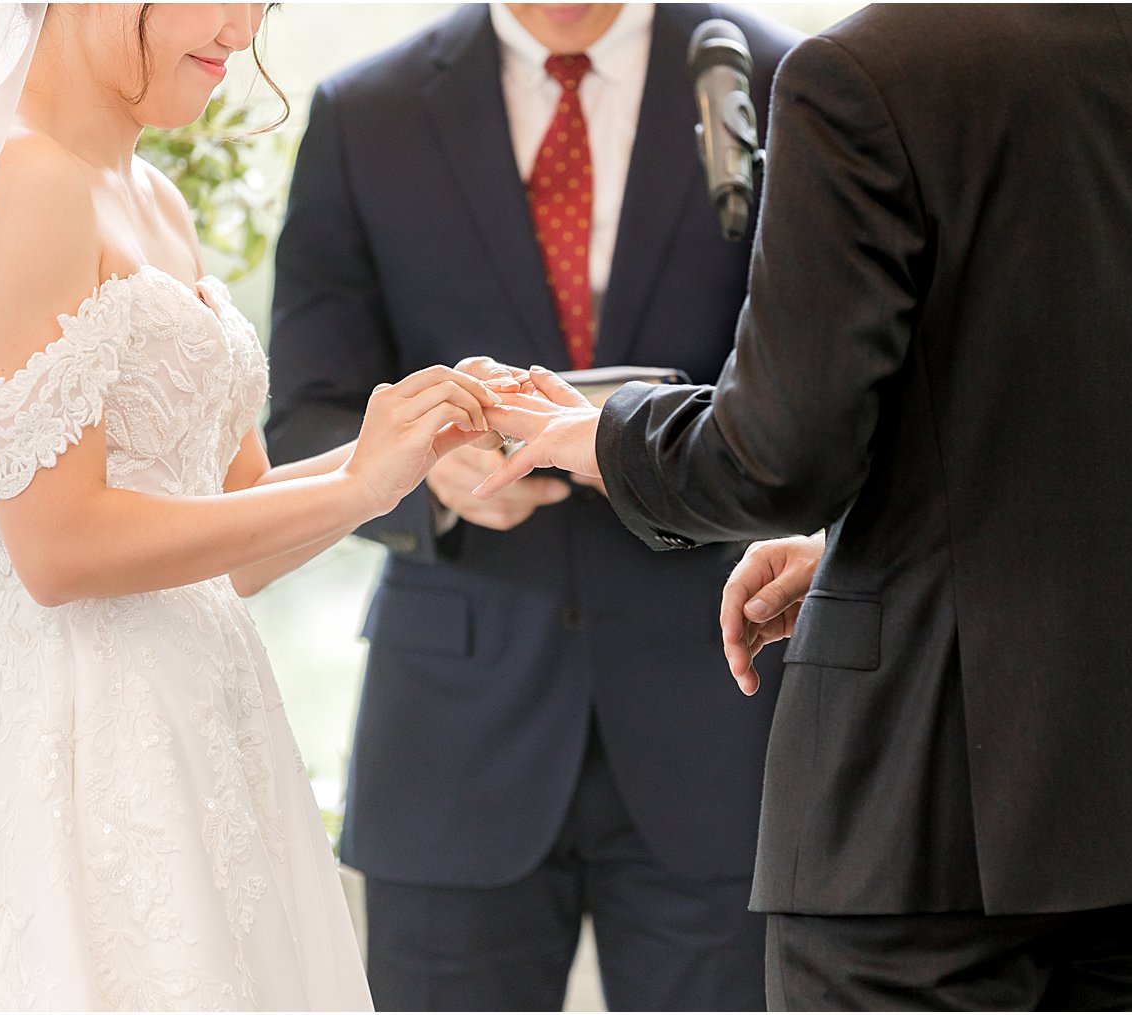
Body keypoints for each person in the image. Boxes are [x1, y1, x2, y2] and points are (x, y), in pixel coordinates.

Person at [472, 4, 1132, 1009]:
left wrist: (599, 434)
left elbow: (774, 456)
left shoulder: (866, 72)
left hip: (924, 838)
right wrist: (877, 543)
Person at [0, 5, 507, 1008]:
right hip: (82, 750)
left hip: (208, 720)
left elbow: (231, 523)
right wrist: (351, 485)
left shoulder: (154, 195)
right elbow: (58, 549)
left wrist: (395, 451)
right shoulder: (17, 178)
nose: (244, 32)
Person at [268, 3, 796, 1009]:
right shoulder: (364, 110)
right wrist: (426, 479)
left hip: (725, 725)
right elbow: (303, 415)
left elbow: (832, 387)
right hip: (453, 740)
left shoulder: (775, 77)